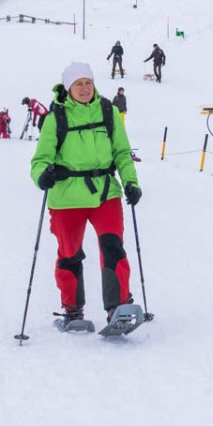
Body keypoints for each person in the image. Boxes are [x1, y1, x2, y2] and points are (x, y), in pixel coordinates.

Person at [30, 62, 143, 331]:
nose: (84, 88)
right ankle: (73, 311)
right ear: (68, 88)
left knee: (113, 246)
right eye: (78, 84)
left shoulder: (108, 111)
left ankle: (117, 307)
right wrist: (42, 176)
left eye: (88, 83)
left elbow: (121, 152)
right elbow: (40, 160)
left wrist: (131, 182)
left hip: (105, 191)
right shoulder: (55, 118)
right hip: (67, 195)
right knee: (69, 254)